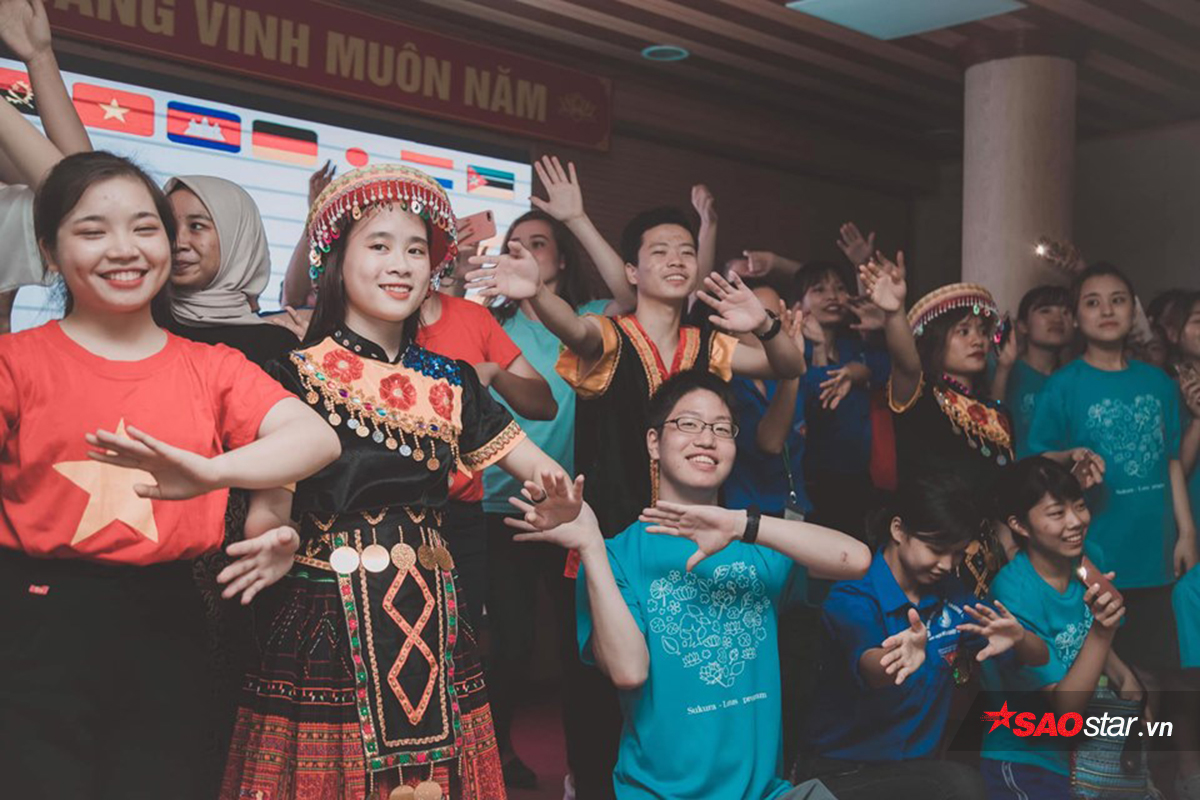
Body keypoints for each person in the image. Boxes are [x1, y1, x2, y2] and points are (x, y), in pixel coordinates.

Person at [221, 164, 584, 800]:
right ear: (335, 262)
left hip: (431, 611)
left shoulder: (453, 381)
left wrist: (562, 505)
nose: (401, 265)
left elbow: (542, 470)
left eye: (416, 250)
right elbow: (269, 508)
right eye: (379, 246)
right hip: (326, 612)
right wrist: (273, 537)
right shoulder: (293, 374)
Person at [0, 151, 340, 798]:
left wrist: (210, 473)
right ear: (49, 251)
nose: (124, 249)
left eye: (145, 227)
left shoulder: (209, 366)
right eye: (92, 230)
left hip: (170, 616)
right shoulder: (16, 362)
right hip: (37, 615)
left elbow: (314, 439)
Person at [513, 369, 870, 799]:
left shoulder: (756, 543)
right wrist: (590, 543)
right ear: (653, 442)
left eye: (721, 429)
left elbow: (856, 560)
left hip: (764, 793)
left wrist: (741, 525)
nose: (706, 439)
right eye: (689, 424)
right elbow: (628, 672)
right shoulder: (615, 556)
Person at [1027, 262, 1200, 795]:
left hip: (1158, 552)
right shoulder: (1063, 386)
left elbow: (1172, 462)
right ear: (1077, 317)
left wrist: (1186, 532)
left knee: (1168, 672)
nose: (1107, 310)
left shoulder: (1157, 383)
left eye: (1118, 299)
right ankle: (1121, 779)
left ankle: (1166, 776)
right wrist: (1070, 459)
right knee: (1122, 677)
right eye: (1093, 301)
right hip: (1098, 554)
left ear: (1135, 311)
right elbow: (1034, 460)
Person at [798, 475, 1047, 800]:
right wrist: (900, 659)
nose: (947, 564)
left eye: (957, 554)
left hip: (913, 772)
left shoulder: (952, 596)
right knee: (960, 785)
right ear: (898, 529)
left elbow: (1039, 658)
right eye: (936, 549)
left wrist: (1019, 637)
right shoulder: (853, 595)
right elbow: (872, 669)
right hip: (841, 772)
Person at [480, 207, 611, 791]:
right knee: (511, 643)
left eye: (538, 243)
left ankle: (587, 765)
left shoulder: (588, 320)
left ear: (560, 259)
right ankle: (493, 752)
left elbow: (636, 292)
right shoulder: (493, 322)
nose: (524, 251)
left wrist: (578, 219)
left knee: (575, 642)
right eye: (514, 243)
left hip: (567, 511)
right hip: (496, 506)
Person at [980, 456, 1138, 800]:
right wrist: (1103, 631)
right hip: (1028, 760)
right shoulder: (1014, 593)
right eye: (1056, 513)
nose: (1076, 521)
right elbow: (1065, 710)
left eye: (1079, 506)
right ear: (1020, 525)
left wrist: (1130, 688)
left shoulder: (1087, 559)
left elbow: (1090, 645)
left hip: (1086, 753)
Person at [860, 254, 1018, 594]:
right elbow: (906, 364)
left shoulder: (996, 412)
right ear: (934, 339)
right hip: (928, 555)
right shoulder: (922, 395)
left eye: (982, 331)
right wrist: (894, 313)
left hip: (989, 565)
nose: (977, 340)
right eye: (963, 331)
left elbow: (1001, 498)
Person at [795, 260, 889, 538]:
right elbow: (818, 406)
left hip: (860, 478)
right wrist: (819, 350)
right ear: (799, 305)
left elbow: (888, 371)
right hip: (815, 480)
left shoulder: (854, 346)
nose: (832, 297)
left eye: (839, 288)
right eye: (819, 290)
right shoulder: (795, 351)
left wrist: (861, 371)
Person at [163, 175, 300, 365]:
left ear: (237, 239)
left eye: (196, 226)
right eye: (168, 227)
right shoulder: (140, 326)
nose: (178, 242)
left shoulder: (276, 348)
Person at [992, 285, 1073, 458]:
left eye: (1066, 312)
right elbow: (992, 427)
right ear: (1023, 326)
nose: (1058, 318)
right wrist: (1003, 370)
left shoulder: (1074, 378)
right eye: (1045, 311)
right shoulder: (1004, 368)